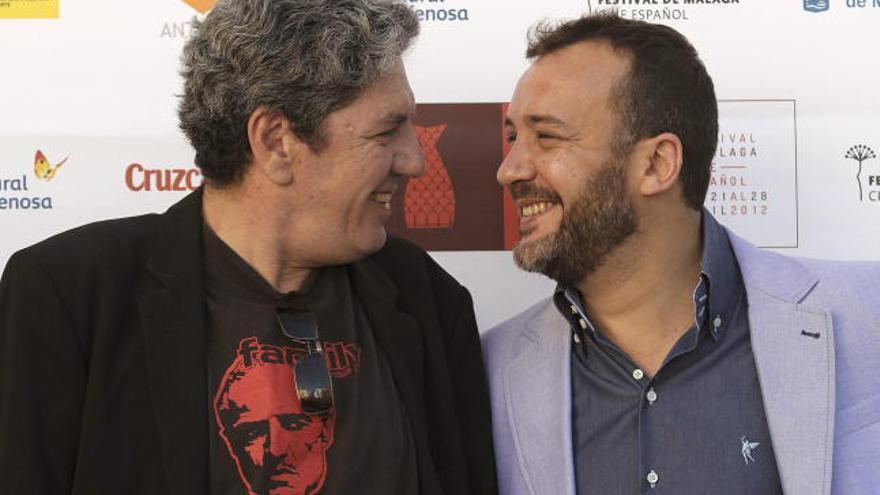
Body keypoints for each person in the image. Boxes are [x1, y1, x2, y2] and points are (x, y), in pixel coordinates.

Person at [0, 1, 497, 493]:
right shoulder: (70, 295)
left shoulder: (426, 296)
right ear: (276, 140)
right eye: (387, 131)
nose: (415, 161)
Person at [482, 13, 880, 495]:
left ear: (656, 163)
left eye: (546, 136)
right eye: (512, 138)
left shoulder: (866, 318)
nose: (509, 169)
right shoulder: (490, 371)